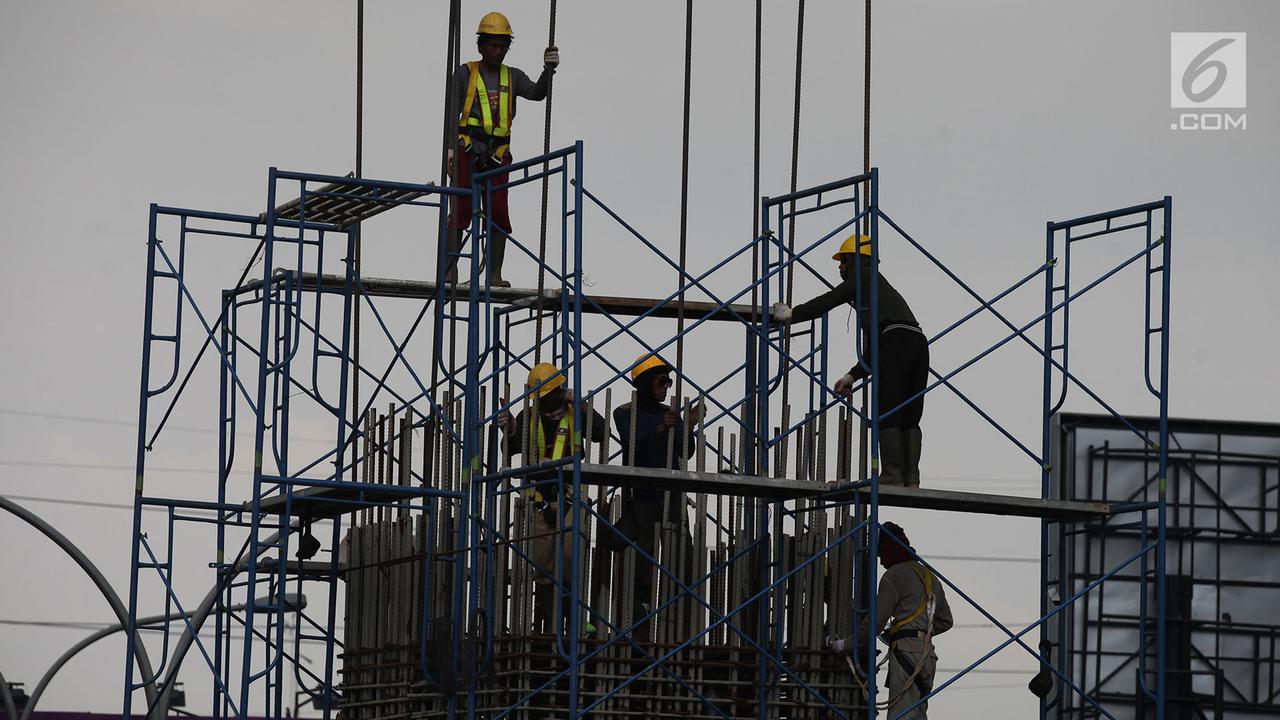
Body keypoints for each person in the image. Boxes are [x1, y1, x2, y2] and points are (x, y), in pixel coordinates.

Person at [771, 233, 929, 487]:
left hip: (895, 340)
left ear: (856, 260)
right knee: (909, 413)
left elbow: (830, 300)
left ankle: (891, 475)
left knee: (888, 407)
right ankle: (910, 478)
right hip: (917, 342)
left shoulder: (864, 277)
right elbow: (877, 350)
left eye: (843, 261)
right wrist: (851, 376)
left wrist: (792, 314)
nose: (840, 267)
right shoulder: (878, 292)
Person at [445, 11, 560, 287]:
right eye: (493, 45)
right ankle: (450, 271)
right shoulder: (465, 73)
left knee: (498, 213)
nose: (498, 51)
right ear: (481, 46)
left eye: (503, 46)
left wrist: (548, 71)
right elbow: (451, 113)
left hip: (497, 155)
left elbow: (537, 93)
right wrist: (449, 150)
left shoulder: (513, 76)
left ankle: (494, 275)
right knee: (460, 211)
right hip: (467, 149)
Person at [497, 362, 606, 633]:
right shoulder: (529, 416)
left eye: (552, 393)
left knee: (570, 556)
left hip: (571, 497)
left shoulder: (574, 413)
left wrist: (581, 405)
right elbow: (509, 449)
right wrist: (509, 429)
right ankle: (547, 628)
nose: (549, 400)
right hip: (539, 499)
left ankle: (575, 624)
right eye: (543, 396)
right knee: (543, 568)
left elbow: (601, 433)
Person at [607, 354, 702, 624]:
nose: (666, 387)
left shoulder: (668, 414)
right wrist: (662, 429)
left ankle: (680, 625)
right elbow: (632, 444)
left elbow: (687, 451)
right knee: (641, 567)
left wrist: (689, 426)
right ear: (646, 382)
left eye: (669, 382)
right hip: (643, 498)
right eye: (662, 381)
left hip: (670, 496)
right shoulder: (625, 413)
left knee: (683, 561)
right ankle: (639, 624)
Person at [828, 522, 953, 719]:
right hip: (927, 656)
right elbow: (946, 621)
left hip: (906, 654)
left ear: (889, 550)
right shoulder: (930, 576)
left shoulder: (894, 576)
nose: (880, 561)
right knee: (917, 714)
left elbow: (874, 624)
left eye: (881, 555)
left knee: (901, 715)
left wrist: (846, 644)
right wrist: (914, 630)